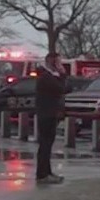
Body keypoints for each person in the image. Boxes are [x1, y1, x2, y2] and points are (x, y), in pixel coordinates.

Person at [34, 53, 66, 184]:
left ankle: (47, 172)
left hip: (49, 113)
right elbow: (61, 88)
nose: (60, 65)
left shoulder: (48, 77)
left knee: (47, 145)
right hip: (47, 114)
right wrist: (62, 75)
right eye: (58, 62)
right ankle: (42, 174)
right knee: (45, 145)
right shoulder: (46, 77)